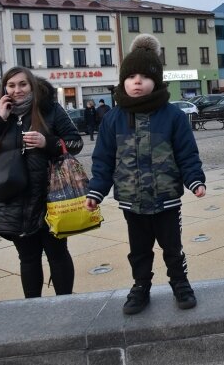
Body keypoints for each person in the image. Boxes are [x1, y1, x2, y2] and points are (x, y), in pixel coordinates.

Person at [84, 34, 207, 315]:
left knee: (172, 248)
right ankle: (141, 286)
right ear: (123, 81)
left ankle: (180, 282)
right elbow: (103, 159)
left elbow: (187, 154)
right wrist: (96, 190)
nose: (137, 81)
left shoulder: (173, 116)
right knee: (138, 250)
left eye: (144, 76)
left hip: (166, 199)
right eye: (131, 76)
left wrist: (195, 180)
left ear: (157, 81)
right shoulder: (113, 118)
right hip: (131, 200)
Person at [0, 67, 83, 298]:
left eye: (22, 84)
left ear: (31, 85)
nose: (17, 90)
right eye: (11, 85)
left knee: (58, 254)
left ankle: (66, 304)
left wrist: (47, 142)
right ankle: (32, 308)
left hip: (50, 196)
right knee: (28, 258)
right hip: (13, 199)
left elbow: (75, 143)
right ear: (4, 88)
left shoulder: (50, 109)